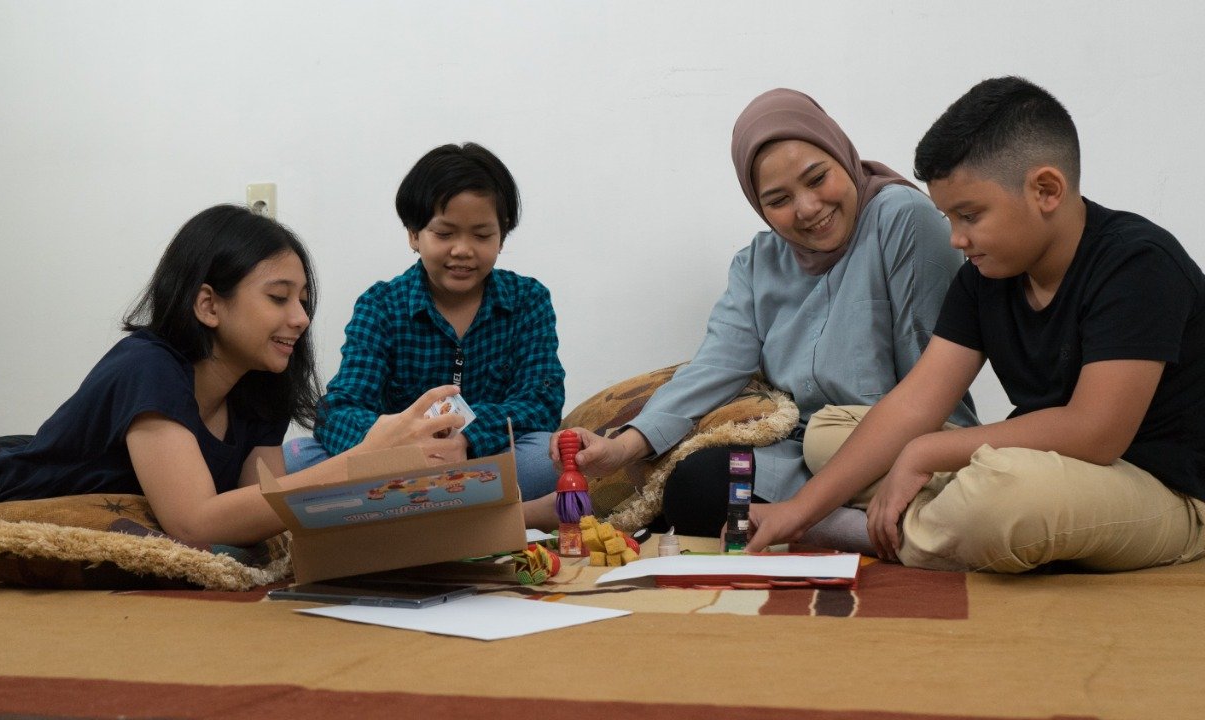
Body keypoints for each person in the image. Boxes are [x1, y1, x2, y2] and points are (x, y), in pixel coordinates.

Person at [747, 76, 1205, 573]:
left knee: (1003, 498)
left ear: (1045, 190)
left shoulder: (1138, 263)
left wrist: (926, 453)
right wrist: (798, 509)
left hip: (1164, 488)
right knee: (829, 433)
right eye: (948, 217)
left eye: (969, 215)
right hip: (1052, 463)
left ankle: (867, 533)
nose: (956, 239)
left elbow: (1096, 432)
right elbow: (915, 403)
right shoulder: (988, 275)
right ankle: (936, 521)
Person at [539, 89, 976, 539]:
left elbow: (931, 379)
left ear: (843, 156)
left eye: (817, 177)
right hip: (801, 452)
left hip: (893, 439)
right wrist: (625, 446)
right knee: (696, 483)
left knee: (819, 449)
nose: (808, 209)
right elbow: (716, 366)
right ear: (758, 204)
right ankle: (864, 530)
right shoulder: (757, 262)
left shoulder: (904, 218)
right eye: (778, 199)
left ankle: (871, 528)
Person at [0, 205, 465, 558]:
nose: (300, 318)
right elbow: (194, 522)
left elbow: (268, 508)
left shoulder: (259, 385)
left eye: (302, 300)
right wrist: (363, 460)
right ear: (208, 303)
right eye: (278, 298)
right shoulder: (147, 367)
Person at [284, 143, 566, 503]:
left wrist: (468, 437)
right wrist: (403, 445)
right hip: (396, 466)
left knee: (547, 455)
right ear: (414, 235)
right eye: (444, 234)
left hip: (482, 459)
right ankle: (455, 508)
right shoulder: (382, 305)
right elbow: (340, 409)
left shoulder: (527, 299)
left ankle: (416, 509)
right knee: (295, 458)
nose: (462, 250)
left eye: (481, 235)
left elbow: (542, 401)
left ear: (503, 235)